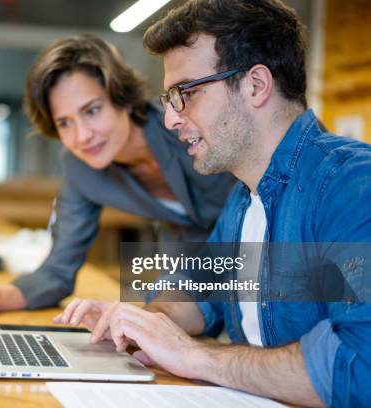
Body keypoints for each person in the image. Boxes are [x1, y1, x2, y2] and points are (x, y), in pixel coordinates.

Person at [54, 1, 371, 406]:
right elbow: (197, 289)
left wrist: (194, 356)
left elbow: (360, 370)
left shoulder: (352, 186)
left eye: (186, 92)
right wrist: (141, 323)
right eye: (170, 97)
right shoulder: (242, 197)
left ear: (256, 85)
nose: (170, 118)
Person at [0, 34, 235, 313]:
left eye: (92, 111)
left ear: (123, 100)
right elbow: (58, 269)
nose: (82, 136)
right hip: (189, 255)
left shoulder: (183, 126)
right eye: (65, 123)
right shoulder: (80, 168)